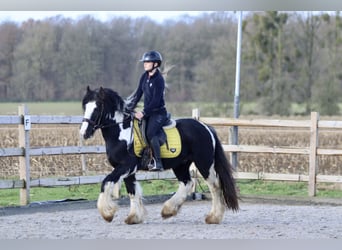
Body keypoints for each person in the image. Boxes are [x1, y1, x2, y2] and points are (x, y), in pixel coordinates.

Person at [127, 50, 168, 171]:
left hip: (158, 113)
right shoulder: (144, 77)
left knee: (150, 133)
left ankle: (158, 163)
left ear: (155, 64)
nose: (144, 64)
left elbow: (155, 101)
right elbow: (138, 94)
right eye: (144, 62)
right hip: (149, 112)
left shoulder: (159, 80)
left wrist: (143, 112)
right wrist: (130, 107)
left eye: (147, 62)